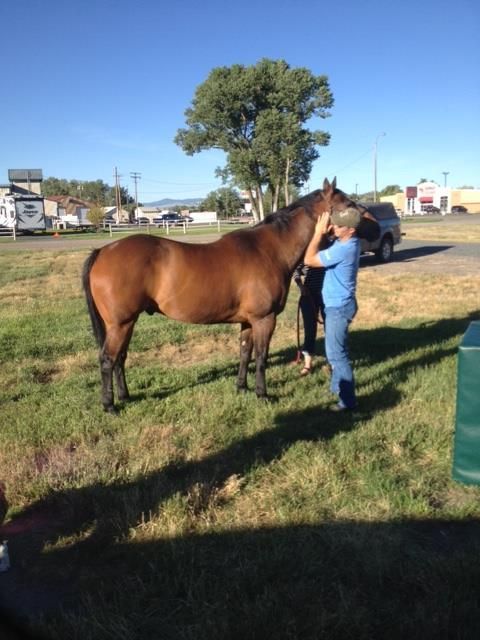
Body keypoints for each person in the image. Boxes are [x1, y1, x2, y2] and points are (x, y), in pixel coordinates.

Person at [303, 207, 362, 411]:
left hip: (338, 307)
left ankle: (347, 402)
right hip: (340, 304)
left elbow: (309, 260)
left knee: (337, 355)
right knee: (337, 351)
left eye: (338, 225)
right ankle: (338, 388)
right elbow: (334, 239)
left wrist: (318, 233)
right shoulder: (345, 241)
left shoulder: (343, 248)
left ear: (351, 230)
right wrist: (331, 232)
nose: (333, 227)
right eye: (333, 223)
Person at [292, 263, 325, 375]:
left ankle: (333, 361)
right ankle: (308, 365)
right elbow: (295, 271)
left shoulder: (329, 249)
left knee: (331, 329)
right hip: (309, 295)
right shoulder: (307, 253)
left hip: (328, 294)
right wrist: (301, 286)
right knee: (310, 330)